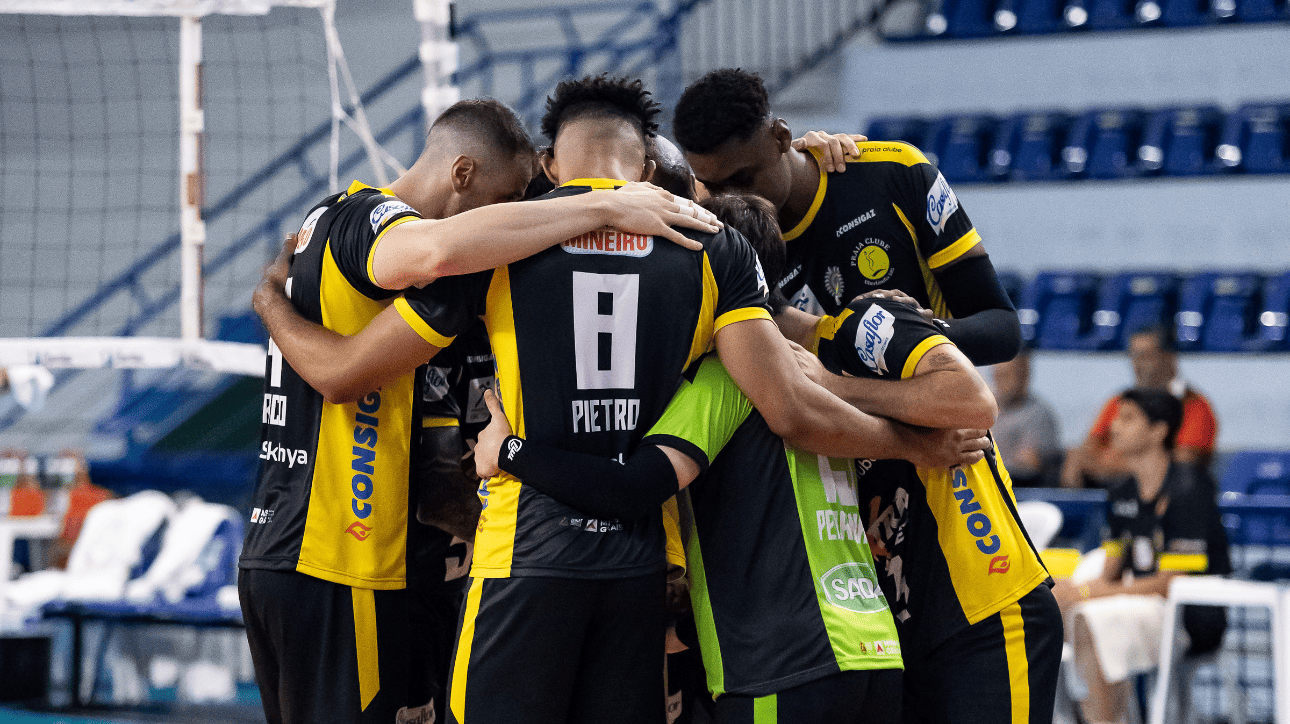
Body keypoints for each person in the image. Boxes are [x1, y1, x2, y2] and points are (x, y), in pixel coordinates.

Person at [238, 97, 721, 724]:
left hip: (285, 548)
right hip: (342, 554)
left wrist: (271, 302)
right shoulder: (374, 221)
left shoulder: (326, 226)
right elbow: (347, 365)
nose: (515, 219)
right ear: (463, 173)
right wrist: (605, 206)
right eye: (509, 199)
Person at [470, 192, 995, 724]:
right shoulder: (819, 368)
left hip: (781, 666)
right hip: (871, 649)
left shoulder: (728, 376)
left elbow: (633, 487)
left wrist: (510, 451)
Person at [671, 68, 1021, 366]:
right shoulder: (718, 235)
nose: (731, 198)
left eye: (744, 179)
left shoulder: (896, 171)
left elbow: (1003, 329)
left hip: (946, 421)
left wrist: (918, 334)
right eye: (713, 187)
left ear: (781, 137)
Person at [1052, 388, 1230, 724]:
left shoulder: (1189, 489)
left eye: (1128, 418)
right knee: (1055, 608)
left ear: (1159, 430)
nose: (1114, 427)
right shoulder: (1121, 493)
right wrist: (1069, 590)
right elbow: (1110, 569)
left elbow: (1171, 582)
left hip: (1190, 616)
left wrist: (1088, 593)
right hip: (1142, 602)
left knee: (1092, 620)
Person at [1060, 326, 1218, 488]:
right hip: (1110, 488)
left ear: (1169, 357)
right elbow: (1090, 447)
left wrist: (1112, 464)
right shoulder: (1119, 401)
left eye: (1146, 356)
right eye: (1133, 356)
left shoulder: (1193, 405)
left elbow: (1184, 461)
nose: (1137, 364)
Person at [992, 348, 1063, 487]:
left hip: (1018, 487)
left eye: (1006, 376)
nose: (1000, 382)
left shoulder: (1037, 414)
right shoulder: (986, 410)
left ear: (1024, 375)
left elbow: (1029, 463)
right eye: (997, 376)